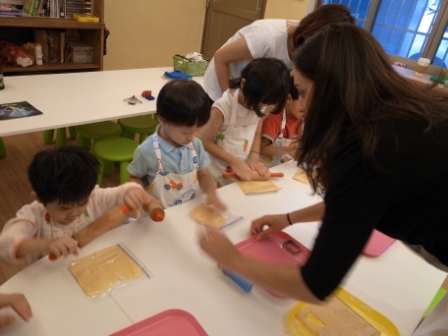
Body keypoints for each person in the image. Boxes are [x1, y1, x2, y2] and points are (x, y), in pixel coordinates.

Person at [199, 23, 448, 330]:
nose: (300, 106)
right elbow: (353, 203)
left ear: (333, 87)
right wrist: (288, 218)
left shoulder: (371, 146)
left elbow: (315, 284)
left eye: (302, 92)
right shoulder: (399, 113)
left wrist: (233, 259)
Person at [0, 145, 162, 264]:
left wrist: (130, 191)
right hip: (51, 276)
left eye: (81, 204)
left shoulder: (93, 197)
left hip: (92, 262)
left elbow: (120, 192)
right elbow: (6, 242)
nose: (75, 212)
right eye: (64, 208)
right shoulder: (34, 215)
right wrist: (47, 244)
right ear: (39, 198)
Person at [202, 4, 355, 102]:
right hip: (221, 88)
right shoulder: (267, 37)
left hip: (251, 95)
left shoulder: (308, 45)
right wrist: (227, 101)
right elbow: (220, 57)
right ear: (315, 31)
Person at [128, 80, 226, 210]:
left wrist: (212, 193)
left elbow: (204, 175)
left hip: (188, 210)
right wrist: (141, 198)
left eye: (197, 130)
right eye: (186, 132)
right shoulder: (147, 151)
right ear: (163, 120)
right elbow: (135, 178)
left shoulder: (195, 145)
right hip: (157, 215)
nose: (192, 137)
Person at [198, 58, 290, 187]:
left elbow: (257, 133)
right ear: (243, 84)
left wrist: (254, 157)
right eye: (255, 103)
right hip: (215, 173)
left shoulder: (261, 105)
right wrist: (233, 160)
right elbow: (205, 141)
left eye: (265, 105)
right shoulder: (223, 108)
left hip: (239, 171)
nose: (259, 109)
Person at [259, 75, 304, 167]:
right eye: (302, 103)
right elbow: (261, 148)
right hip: (268, 170)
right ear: (288, 99)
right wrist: (288, 150)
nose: (306, 107)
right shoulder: (274, 118)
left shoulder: (302, 119)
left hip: (287, 170)